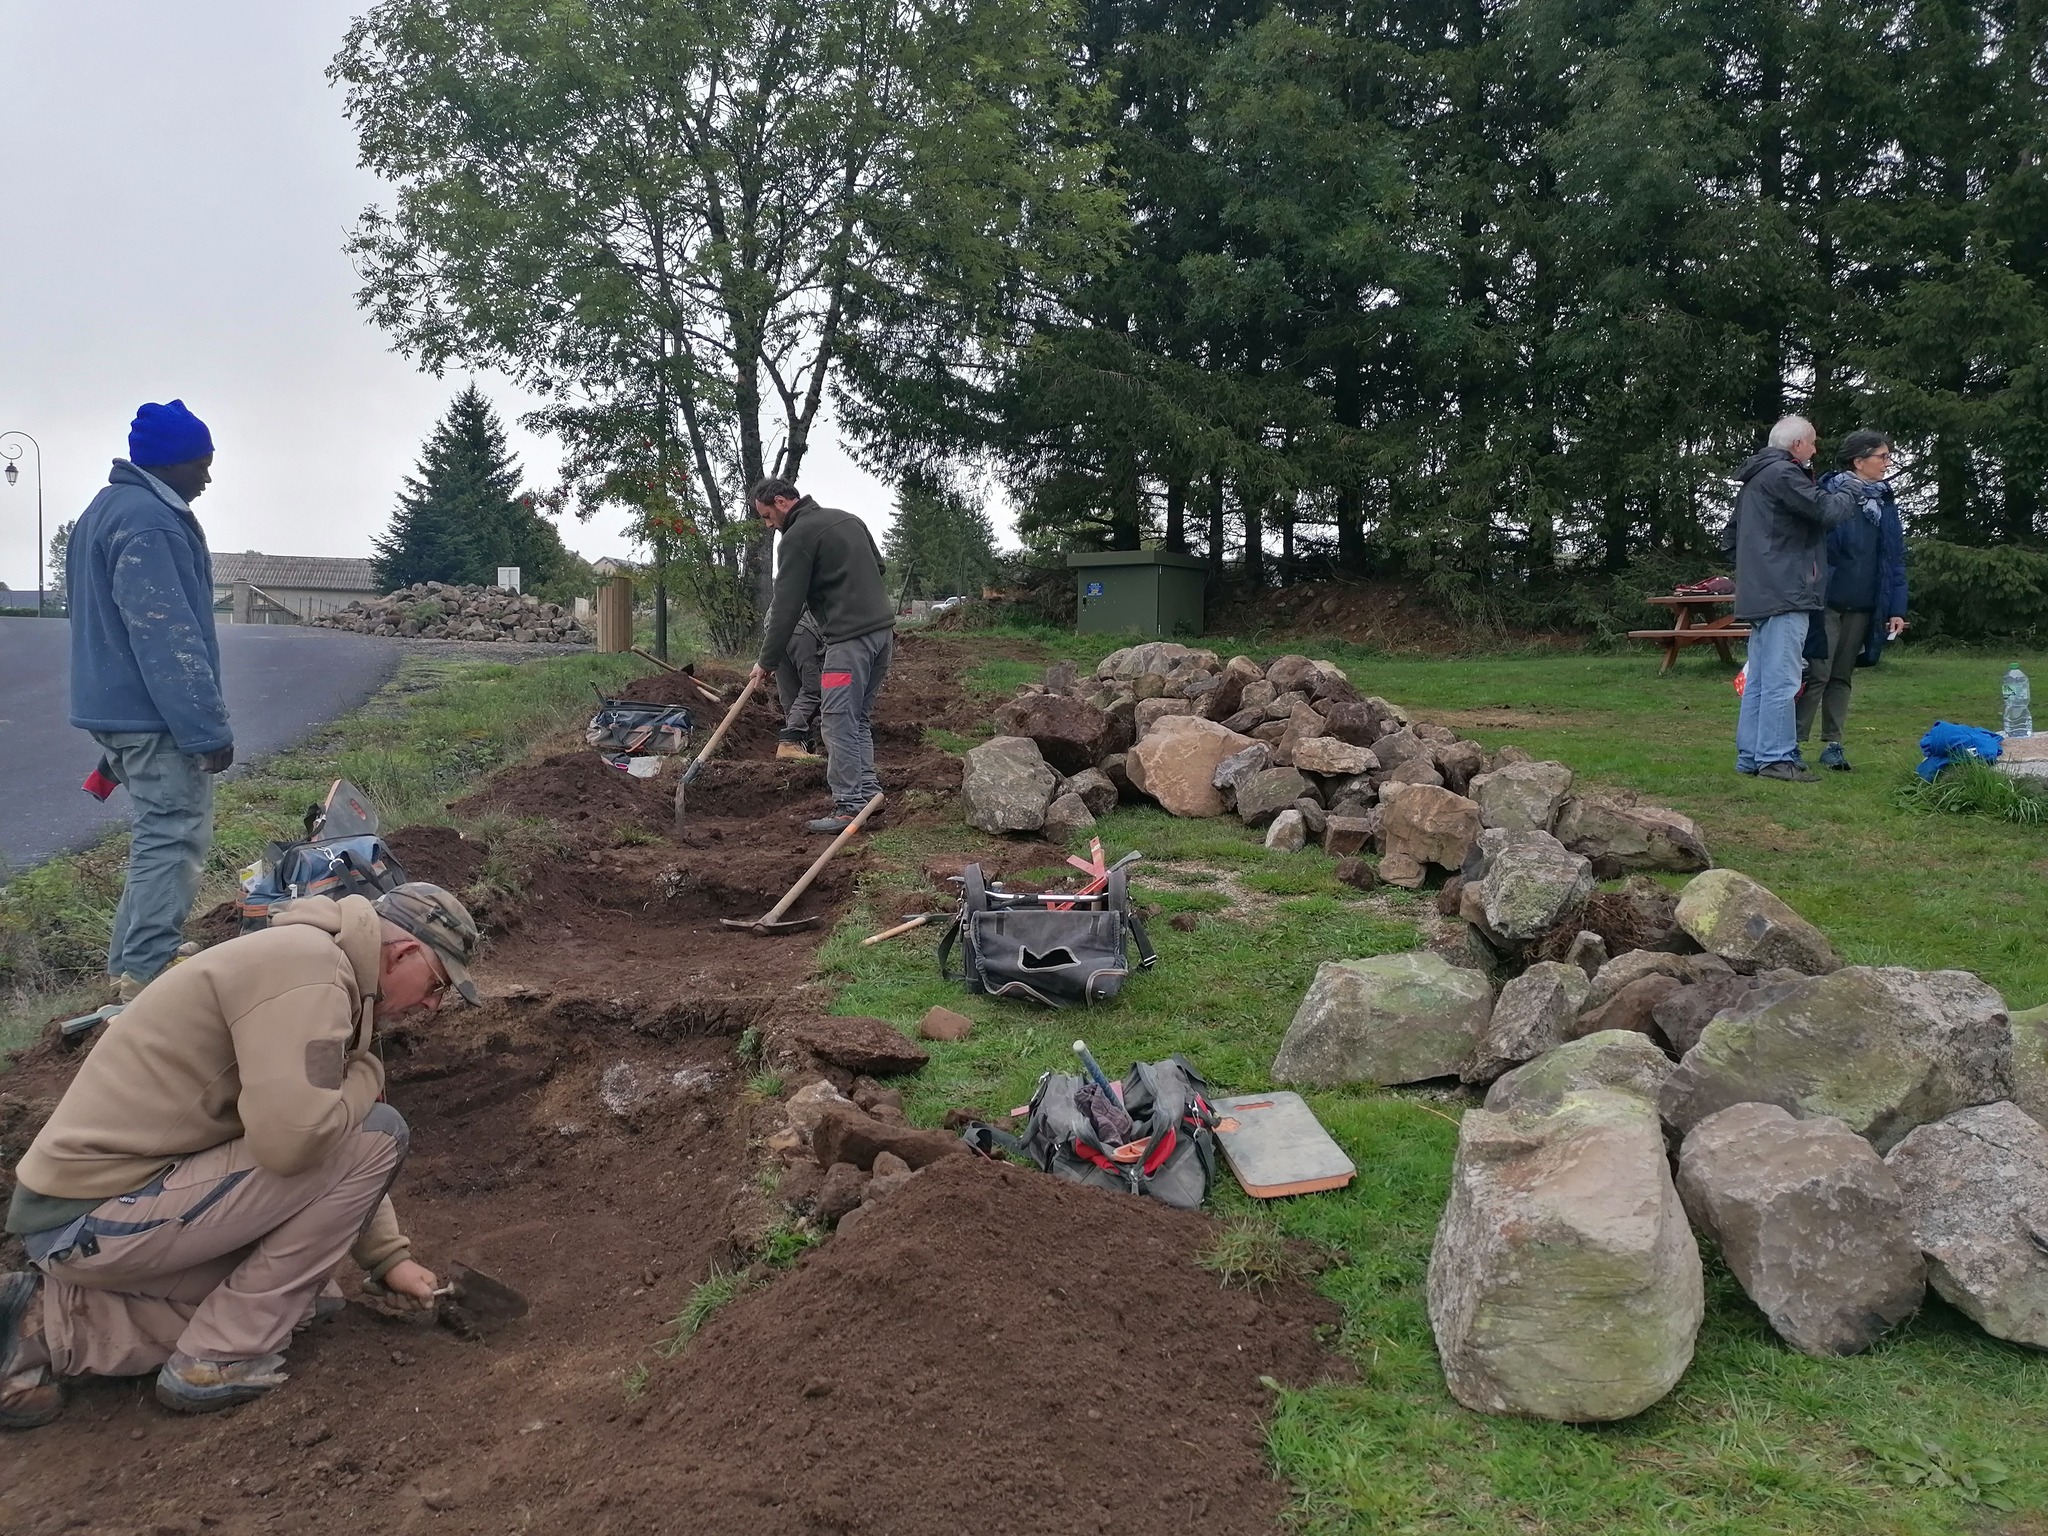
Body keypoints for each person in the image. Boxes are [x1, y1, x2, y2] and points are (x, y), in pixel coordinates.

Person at [0, 882, 481, 1425]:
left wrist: (390, 1260)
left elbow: (336, 1145)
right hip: (91, 1217)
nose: (432, 1005)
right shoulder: (308, 970)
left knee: (305, 1298)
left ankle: (37, 1324)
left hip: (100, 1211)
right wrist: (367, 1073)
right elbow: (300, 1141)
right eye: (438, 984)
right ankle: (216, 1359)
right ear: (405, 952)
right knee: (380, 1130)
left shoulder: (322, 963)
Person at [67, 401, 233, 1003]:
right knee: (174, 833)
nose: (208, 478)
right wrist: (205, 729)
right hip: (152, 714)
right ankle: (145, 975)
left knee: (156, 834)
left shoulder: (105, 509)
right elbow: (166, 634)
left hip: (114, 708)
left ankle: (135, 957)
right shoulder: (151, 521)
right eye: (202, 464)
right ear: (172, 462)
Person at [746, 478, 895, 832]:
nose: (769, 525)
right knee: (856, 718)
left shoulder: (797, 538)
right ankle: (868, 795)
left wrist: (767, 661)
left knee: (836, 721)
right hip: (883, 635)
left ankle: (849, 807)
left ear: (782, 502)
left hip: (848, 643)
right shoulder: (848, 519)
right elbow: (879, 567)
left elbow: (785, 607)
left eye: (767, 516)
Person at [1726, 415, 1857, 781]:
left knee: (1761, 681)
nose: (1815, 450)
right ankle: (1776, 758)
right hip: (1786, 591)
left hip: (1761, 590)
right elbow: (1826, 510)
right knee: (1782, 680)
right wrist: (1851, 488)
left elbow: (1730, 537)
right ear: (1797, 445)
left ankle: (1751, 756)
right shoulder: (1783, 474)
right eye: (1812, 443)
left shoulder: (1754, 480)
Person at [1797, 430, 1909, 770]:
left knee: (1842, 676)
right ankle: (1792, 744)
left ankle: (1833, 744)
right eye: (1882, 457)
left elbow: (1894, 559)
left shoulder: (1886, 501)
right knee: (1817, 673)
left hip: (1864, 604)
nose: (1888, 463)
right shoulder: (1828, 495)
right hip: (1827, 601)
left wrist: (1896, 608)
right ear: (1859, 461)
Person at [775, 611, 827, 762]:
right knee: (812, 689)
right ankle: (790, 742)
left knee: (790, 693)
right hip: (803, 629)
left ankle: (799, 742)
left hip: (774, 626)